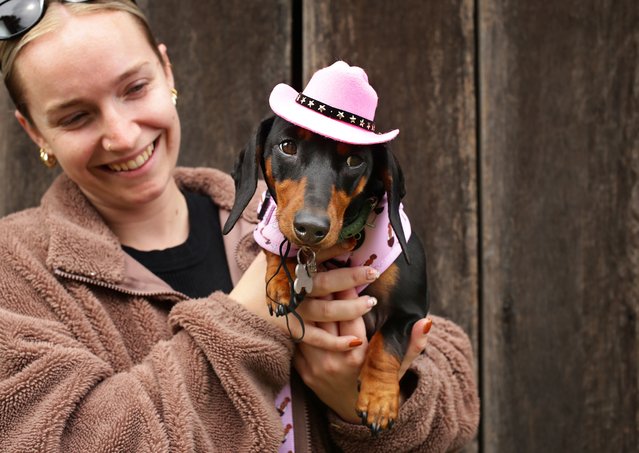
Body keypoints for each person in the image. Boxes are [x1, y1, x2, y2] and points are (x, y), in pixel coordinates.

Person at [0, 1, 479, 451]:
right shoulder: (14, 269)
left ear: (166, 71)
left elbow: (456, 380)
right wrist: (247, 318)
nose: (123, 136)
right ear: (35, 131)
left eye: (134, 88)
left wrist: (355, 399)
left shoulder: (278, 217)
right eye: (76, 116)